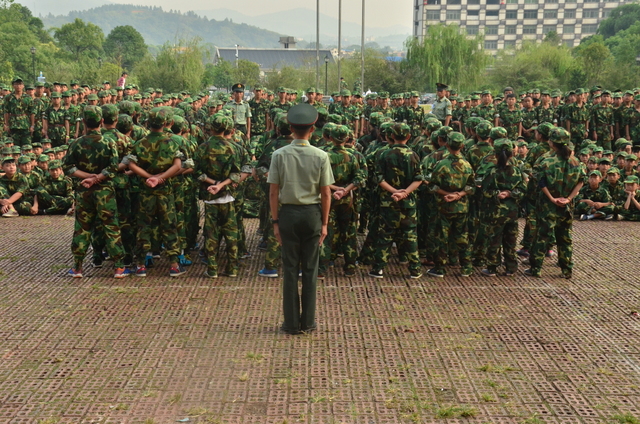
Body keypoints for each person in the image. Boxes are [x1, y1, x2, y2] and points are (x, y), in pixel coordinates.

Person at [267, 103, 334, 335]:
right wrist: (324, 223)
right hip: (312, 214)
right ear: (313, 129)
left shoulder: (279, 155)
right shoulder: (321, 156)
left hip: (288, 215)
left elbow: (273, 192)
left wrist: (275, 222)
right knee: (310, 270)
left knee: (289, 269)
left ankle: (291, 323)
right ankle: (308, 322)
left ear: (291, 129)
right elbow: (326, 193)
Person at [61, 106, 129, 278]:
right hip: (105, 191)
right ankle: (119, 267)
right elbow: (113, 167)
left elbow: (68, 167)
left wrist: (88, 177)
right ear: (101, 121)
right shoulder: (109, 142)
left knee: (82, 228)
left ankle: (77, 267)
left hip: (84, 191)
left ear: (84, 122)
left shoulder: (76, 143)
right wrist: (97, 177)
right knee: (111, 226)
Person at [525, 127, 584, 279]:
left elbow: (540, 182)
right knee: (565, 237)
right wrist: (569, 198)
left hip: (548, 205)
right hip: (567, 205)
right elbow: (581, 181)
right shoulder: (575, 161)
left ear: (551, 142)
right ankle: (566, 269)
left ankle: (536, 268)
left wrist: (551, 198)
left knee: (542, 235)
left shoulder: (546, 161)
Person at [480, 140, 525, 277]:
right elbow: (523, 190)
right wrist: (511, 193)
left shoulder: (491, 171)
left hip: (495, 212)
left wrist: (497, 194)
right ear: (512, 154)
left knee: (494, 240)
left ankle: (492, 267)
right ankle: (511, 267)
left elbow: (485, 190)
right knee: (510, 240)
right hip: (512, 212)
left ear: (495, 154)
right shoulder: (516, 171)